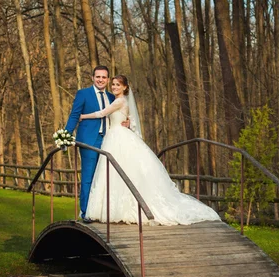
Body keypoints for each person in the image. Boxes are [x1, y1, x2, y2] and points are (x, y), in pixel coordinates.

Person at [81, 75, 220, 225]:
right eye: (113, 85)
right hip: (116, 135)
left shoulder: (120, 101)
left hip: (117, 137)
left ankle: (120, 209)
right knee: (119, 171)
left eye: (118, 85)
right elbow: (131, 119)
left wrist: (83, 116)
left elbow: (101, 113)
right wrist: (127, 122)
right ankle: (116, 208)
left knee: (118, 170)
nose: (114, 87)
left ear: (125, 88)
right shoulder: (121, 101)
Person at [64, 65, 115, 219]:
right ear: (93, 78)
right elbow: (74, 115)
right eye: (98, 76)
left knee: (104, 177)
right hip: (89, 141)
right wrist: (66, 135)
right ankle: (86, 211)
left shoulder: (112, 98)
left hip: (108, 141)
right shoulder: (83, 94)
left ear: (107, 80)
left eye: (104, 77)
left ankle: (101, 211)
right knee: (88, 177)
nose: (101, 80)